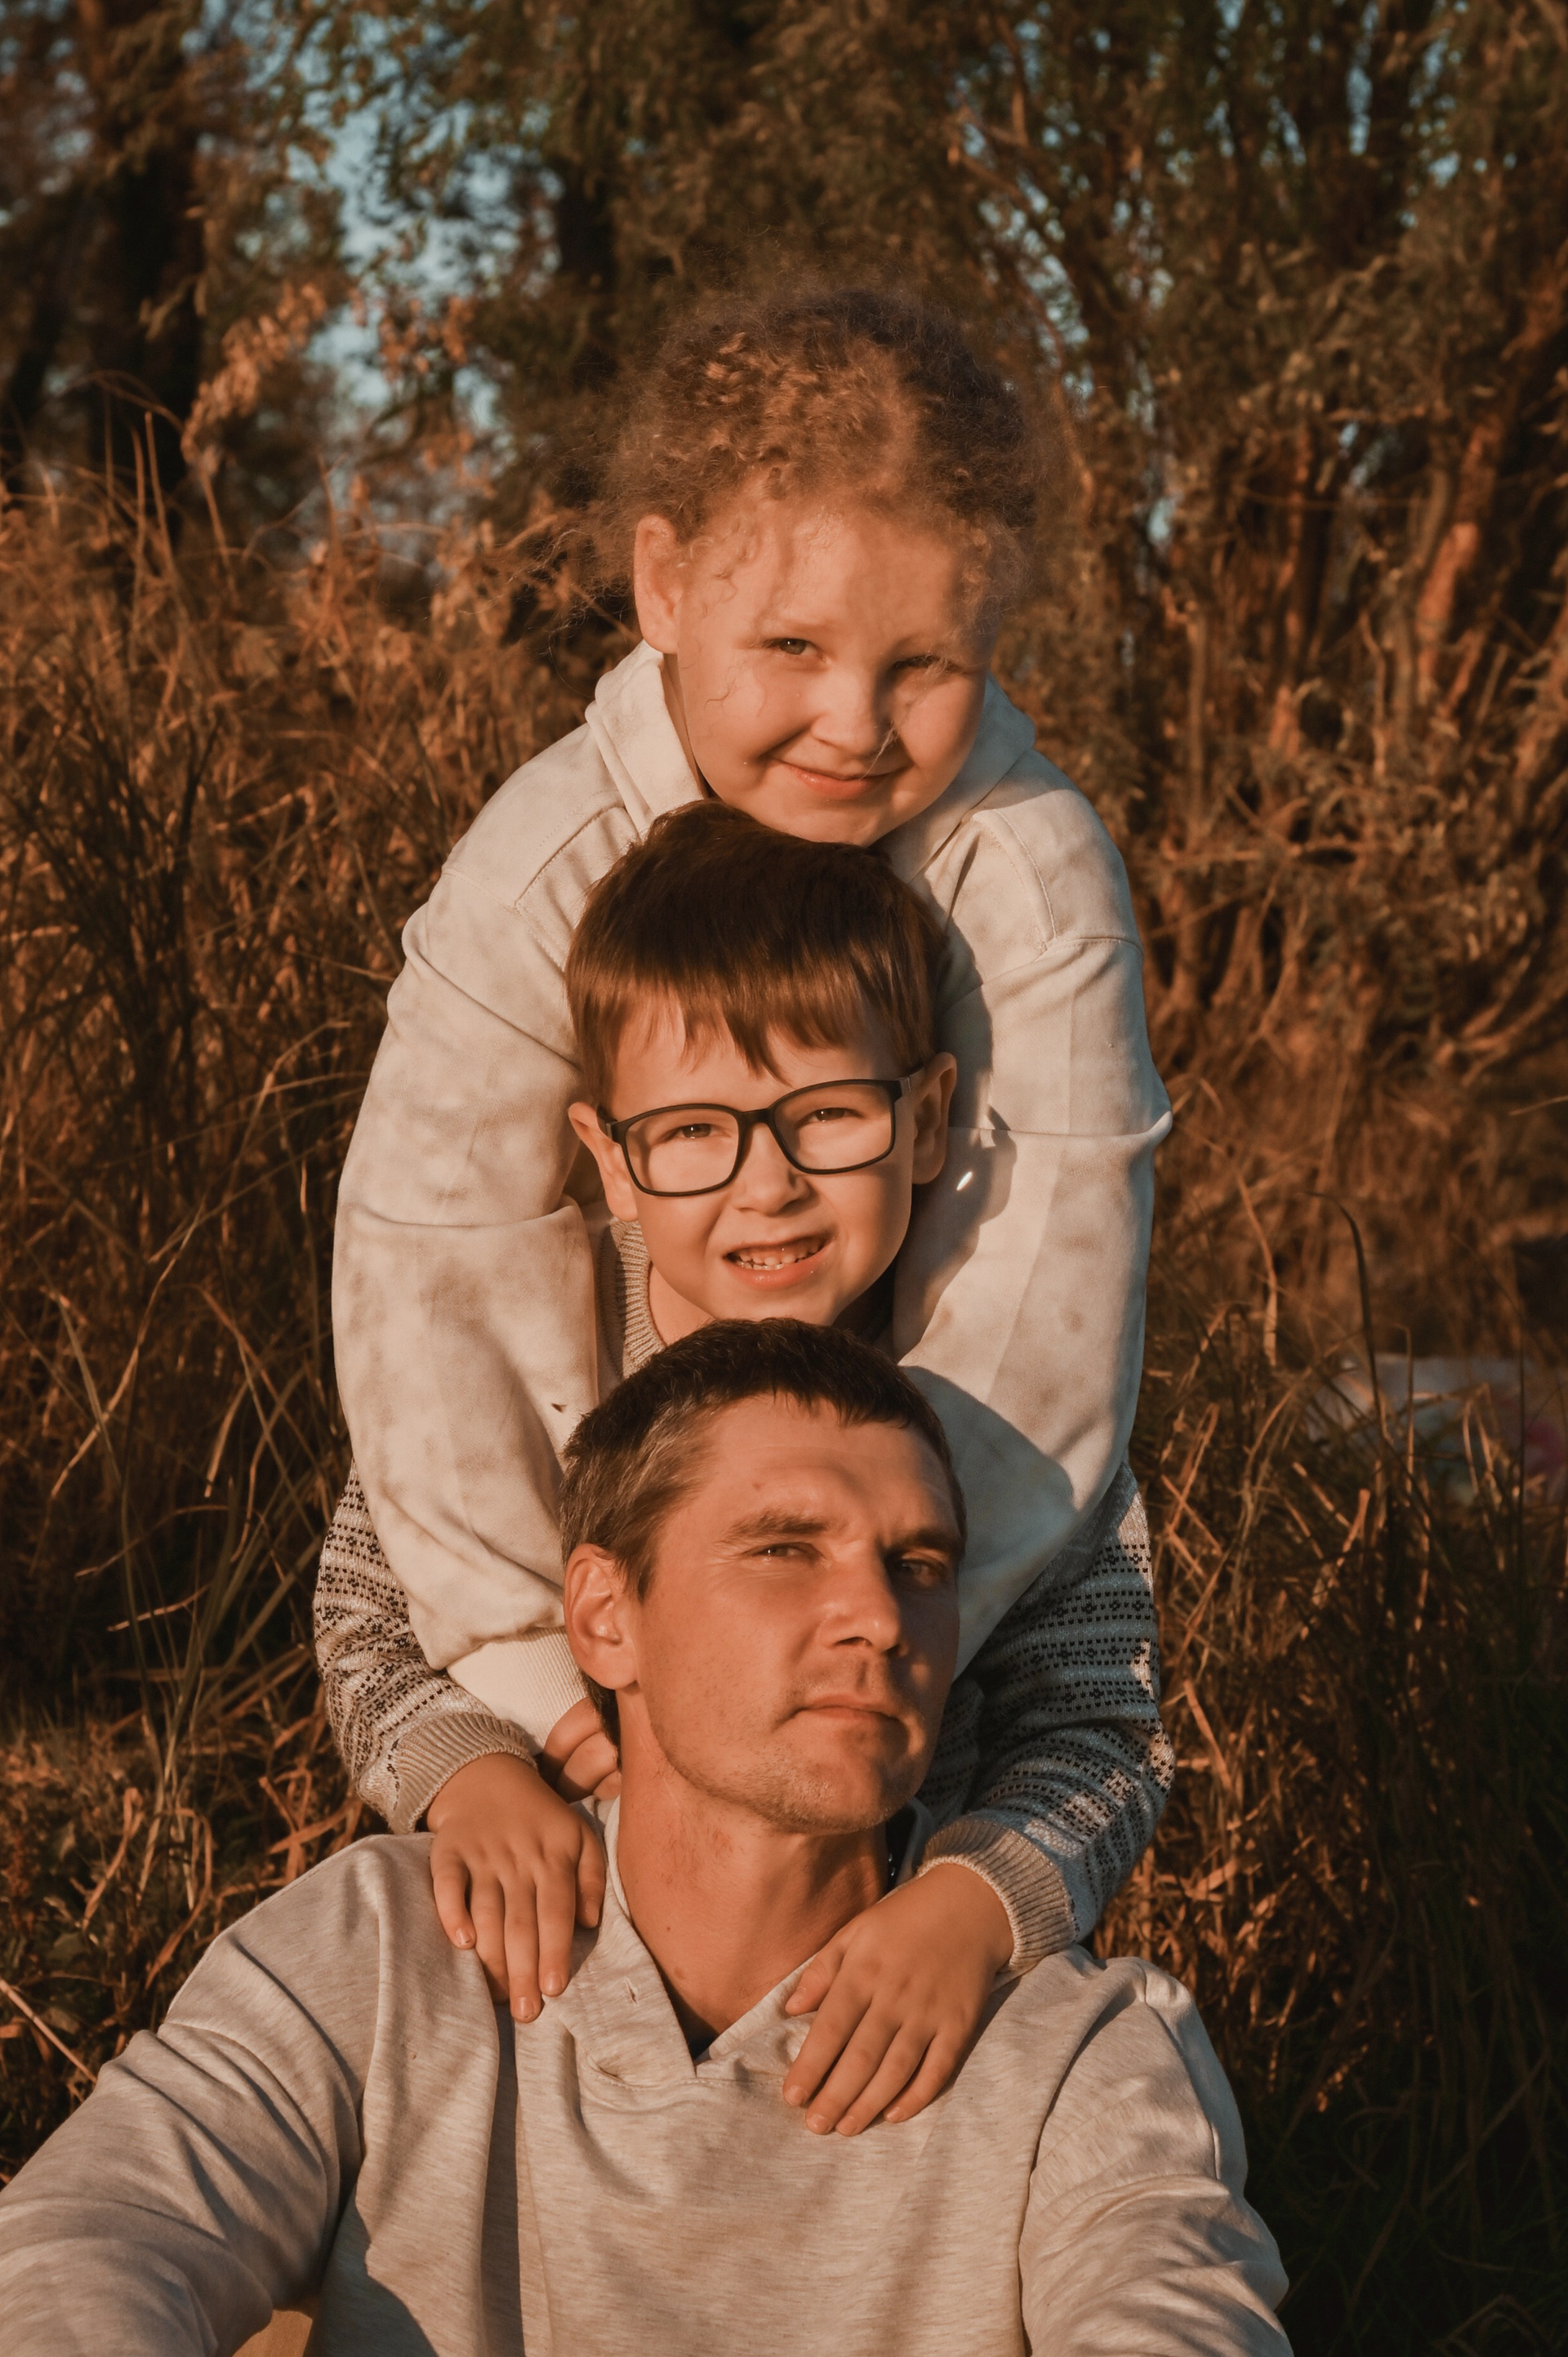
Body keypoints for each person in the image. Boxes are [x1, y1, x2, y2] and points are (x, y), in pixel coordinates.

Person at [0, 1323, 1289, 2357]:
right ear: (605, 1617)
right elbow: (95, 2235)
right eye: (785, 1546)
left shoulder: (1079, 2051)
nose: (878, 1614)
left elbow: (1171, 2305)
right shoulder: (391, 1945)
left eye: (919, 1562)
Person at [318, 800, 1173, 2137]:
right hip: (545, 1961)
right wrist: (468, 1769)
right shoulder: (524, 1347)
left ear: (928, 1117)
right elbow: (373, 1605)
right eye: (692, 1132)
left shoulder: (1017, 1387)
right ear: (611, 1158)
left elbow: (1102, 1722)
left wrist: (975, 1900)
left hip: (882, 1996)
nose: (766, 1185)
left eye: (827, 1115)